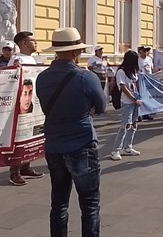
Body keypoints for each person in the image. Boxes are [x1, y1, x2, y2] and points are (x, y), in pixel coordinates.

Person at [36, 27, 105, 237]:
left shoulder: (42, 78)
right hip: (81, 144)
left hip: (54, 145)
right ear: (76, 52)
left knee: (58, 203)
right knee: (90, 204)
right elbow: (102, 106)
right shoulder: (86, 77)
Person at [5, 34, 43, 185]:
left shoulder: (31, 59)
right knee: (19, 138)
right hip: (20, 105)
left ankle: (26, 166)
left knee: (31, 135)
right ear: (25, 43)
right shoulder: (17, 60)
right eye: (33, 40)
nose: (36, 43)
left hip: (32, 102)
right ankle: (14, 172)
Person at [110, 50, 143, 160]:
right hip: (127, 102)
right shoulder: (121, 72)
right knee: (125, 126)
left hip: (135, 102)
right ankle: (116, 150)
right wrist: (133, 99)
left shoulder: (133, 71)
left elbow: (136, 85)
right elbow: (123, 88)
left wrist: (138, 98)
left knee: (133, 125)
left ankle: (128, 147)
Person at [138, 46, 156, 121]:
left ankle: (146, 113)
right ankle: (139, 114)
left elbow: (152, 69)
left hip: (148, 80)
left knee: (147, 98)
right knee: (140, 97)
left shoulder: (149, 59)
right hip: (140, 81)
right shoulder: (138, 60)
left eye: (147, 51)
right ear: (140, 52)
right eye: (144, 51)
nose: (146, 53)